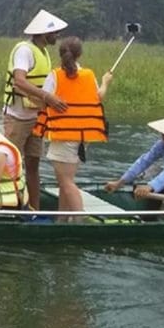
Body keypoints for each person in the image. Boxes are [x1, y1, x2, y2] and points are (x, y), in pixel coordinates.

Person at [36, 36, 112, 220]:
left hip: (63, 136)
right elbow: (98, 96)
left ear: (61, 54)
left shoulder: (55, 75)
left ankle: (79, 219)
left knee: (66, 182)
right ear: (79, 55)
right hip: (82, 136)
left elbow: (42, 99)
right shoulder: (89, 74)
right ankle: (62, 219)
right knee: (65, 182)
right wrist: (105, 81)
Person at [2, 9, 69, 210]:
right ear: (42, 33)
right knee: (9, 163)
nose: (57, 36)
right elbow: (19, 81)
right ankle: (6, 206)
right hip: (17, 117)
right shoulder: (25, 50)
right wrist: (48, 97)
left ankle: (34, 208)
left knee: (33, 165)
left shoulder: (44, 52)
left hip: (36, 117)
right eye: (54, 32)